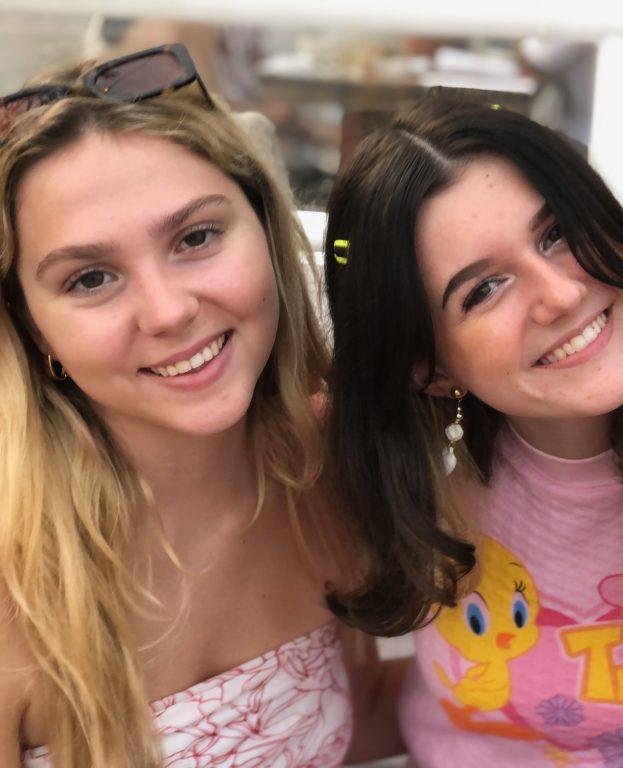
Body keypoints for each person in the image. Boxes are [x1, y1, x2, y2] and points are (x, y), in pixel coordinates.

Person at [0, 44, 396, 768]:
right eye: (90, 278)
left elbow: (352, 717)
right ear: (31, 328)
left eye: (196, 237)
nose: (168, 311)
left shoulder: (329, 467)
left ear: (268, 235)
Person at [323, 97, 623, 766]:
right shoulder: (396, 483)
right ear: (426, 368)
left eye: (555, 234)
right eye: (484, 288)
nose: (561, 294)